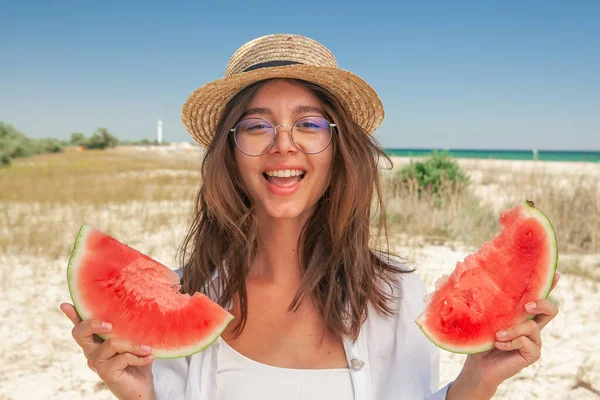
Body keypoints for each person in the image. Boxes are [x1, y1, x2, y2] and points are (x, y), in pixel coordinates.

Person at [60, 34, 560, 400]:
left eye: (309, 123)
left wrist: (478, 379)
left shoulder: (395, 293)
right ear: (230, 153)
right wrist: (136, 395)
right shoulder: (185, 296)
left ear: (339, 148)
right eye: (256, 125)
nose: (284, 144)